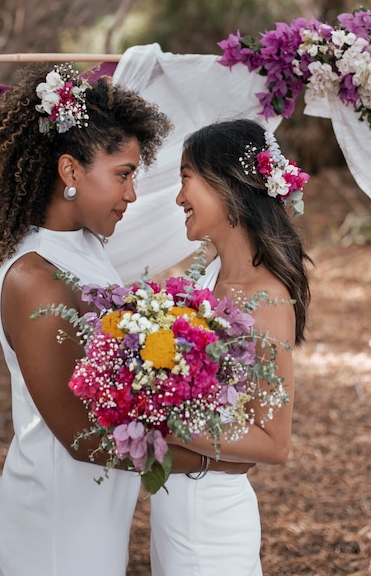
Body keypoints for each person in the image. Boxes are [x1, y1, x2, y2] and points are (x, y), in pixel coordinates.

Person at [0, 64, 251, 576]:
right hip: (55, 525)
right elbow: (82, 436)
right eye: (123, 174)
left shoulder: (85, 249)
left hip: (96, 513)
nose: (130, 195)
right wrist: (216, 460)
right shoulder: (35, 277)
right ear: (70, 172)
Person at [150, 119, 312, 576]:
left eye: (185, 178)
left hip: (212, 522)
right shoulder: (211, 275)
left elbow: (274, 443)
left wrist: (158, 418)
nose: (179, 197)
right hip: (174, 507)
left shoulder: (267, 298)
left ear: (228, 185)